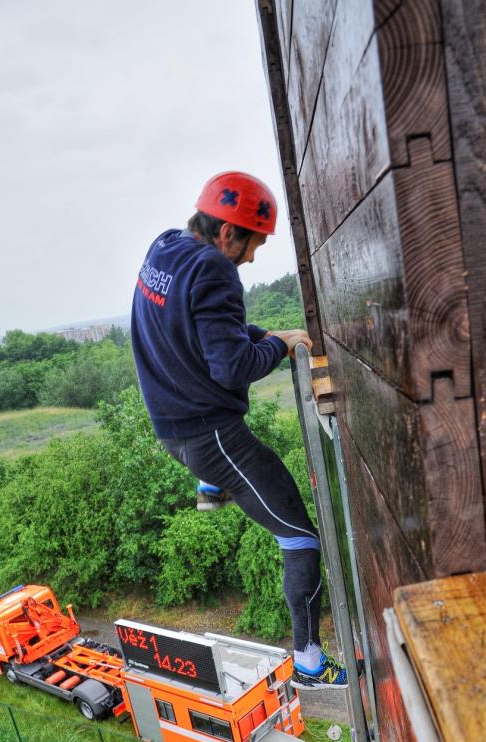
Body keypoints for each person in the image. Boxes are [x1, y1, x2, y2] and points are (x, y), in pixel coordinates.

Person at [130, 170, 347, 689]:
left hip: (172, 424)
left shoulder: (165, 248)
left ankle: (211, 486)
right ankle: (310, 663)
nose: (250, 259)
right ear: (228, 233)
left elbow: (205, 331)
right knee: (300, 539)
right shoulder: (215, 269)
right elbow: (232, 366)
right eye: (252, 246)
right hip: (210, 435)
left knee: (236, 477)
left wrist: (267, 333)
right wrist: (278, 345)